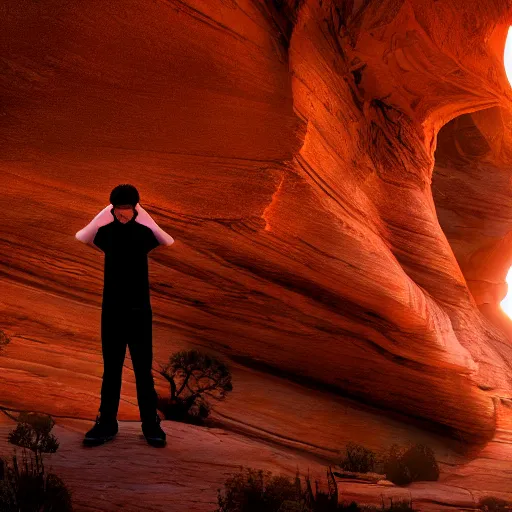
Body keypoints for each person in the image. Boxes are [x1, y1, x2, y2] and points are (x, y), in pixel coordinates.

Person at [75, 184, 175, 448]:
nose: (122, 215)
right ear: (112, 210)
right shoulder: (105, 234)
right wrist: (105, 211)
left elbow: (168, 240)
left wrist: (143, 213)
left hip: (140, 312)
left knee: (143, 371)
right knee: (112, 371)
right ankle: (106, 423)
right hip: (112, 312)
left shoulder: (144, 234)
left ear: (134, 209)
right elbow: (81, 235)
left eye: (127, 210)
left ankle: (150, 424)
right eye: (117, 210)